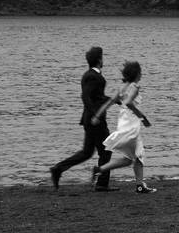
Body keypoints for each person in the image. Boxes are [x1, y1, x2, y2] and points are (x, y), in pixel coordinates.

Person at [49, 46, 118, 191]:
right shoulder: (92, 76)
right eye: (102, 57)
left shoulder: (91, 75)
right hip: (95, 120)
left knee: (87, 153)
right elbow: (85, 96)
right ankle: (101, 184)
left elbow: (96, 96)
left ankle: (58, 169)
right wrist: (95, 114)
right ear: (99, 59)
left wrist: (114, 100)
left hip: (91, 119)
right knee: (107, 149)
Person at [91, 60, 157, 193]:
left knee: (130, 159)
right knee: (138, 155)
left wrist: (97, 116)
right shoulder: (135, 87)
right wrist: (143, 117)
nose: (141, 74)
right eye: (140, 72)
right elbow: (128, 102)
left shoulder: (121, 88)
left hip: (123, 123)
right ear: (137, 74)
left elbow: (108, 103)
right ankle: (140, 186)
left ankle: (100, 170)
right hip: (132, 125)